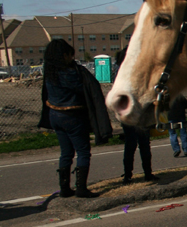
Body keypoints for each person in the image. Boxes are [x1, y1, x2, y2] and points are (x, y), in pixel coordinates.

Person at [38, 40, 111, 198]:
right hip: (72, 116)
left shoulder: (50, 72)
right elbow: (84, 89)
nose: (72, 59)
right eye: (70, 55)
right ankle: (81, 188)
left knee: (66, 153)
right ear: (64, 55)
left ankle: (64, 188)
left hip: (54, 115)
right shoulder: (71, 73)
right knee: (83, 151)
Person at [114, 48, 159, 184]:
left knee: (130, 145)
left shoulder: (119, 74)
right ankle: (147, 173)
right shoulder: (136, 74)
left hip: (127, 114)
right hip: (139, 113)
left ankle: (128, 175)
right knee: (143, 145)